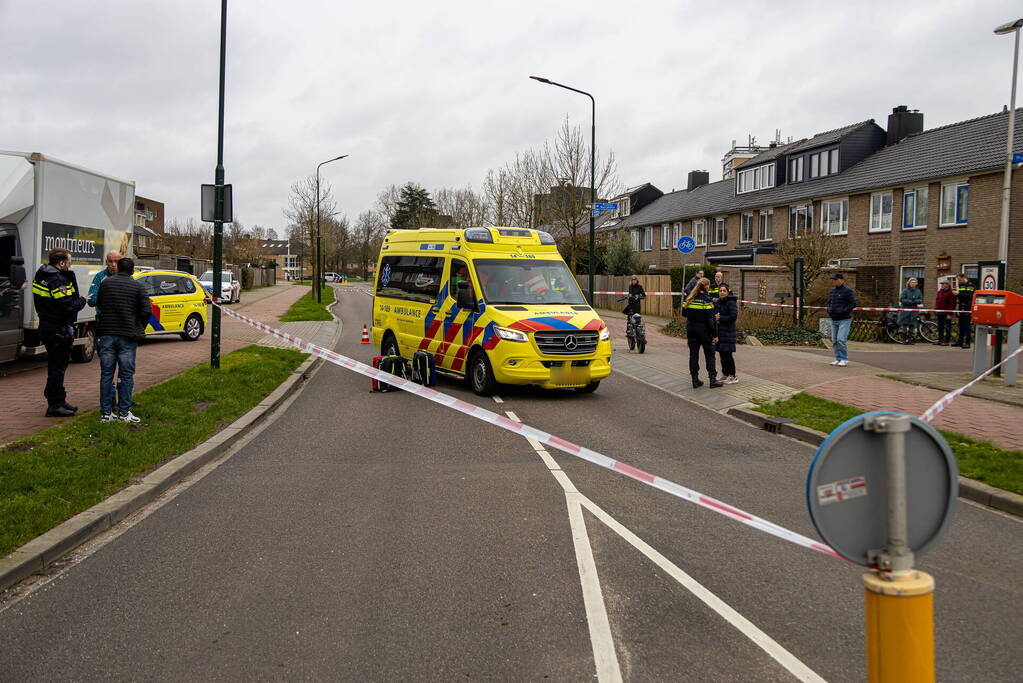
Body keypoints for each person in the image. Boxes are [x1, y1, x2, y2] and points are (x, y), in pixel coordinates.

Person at [32, 248, 86, 416]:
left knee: (57, 366)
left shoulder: (42, 275)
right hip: (57, 329)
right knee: (57, 368)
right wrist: (83, 301)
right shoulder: (57, 280)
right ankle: (54, 404)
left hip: (48, 326)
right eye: (69, 263)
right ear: (61, 263)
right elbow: (68, 305)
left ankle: (60, 400)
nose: (70, 266)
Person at [96, 257, 150, 423]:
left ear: (118, 268)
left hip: (106, 334)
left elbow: (99, 305)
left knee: (106, 374)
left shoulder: (105, 284)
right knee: (126, 375)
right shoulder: (138, 287)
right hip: (128, 335)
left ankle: (106, 413)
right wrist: (139, 326)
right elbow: (147, 311)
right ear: (133, 271)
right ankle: (124, 413)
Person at [680, 277, 722, 388]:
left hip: (691, 330)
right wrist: (715, 335)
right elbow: (711, 320)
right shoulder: (706, 300)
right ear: (706, 286)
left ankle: (695, 380)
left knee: (693, 355)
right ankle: (712, 380)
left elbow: (684, 313)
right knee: (710, 355)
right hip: (704, 332)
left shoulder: (690, 298)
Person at [826, 273, 856, 367]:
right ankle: (838, 358)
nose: (835, 281)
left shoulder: (848, 291)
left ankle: (844, 359)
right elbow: (829, 302)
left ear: (842, 280)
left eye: (836, 279)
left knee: (841, 339)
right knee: (834, 340)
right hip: (834, 318)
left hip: (844, 319)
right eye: (834, 280)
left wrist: (843, 311)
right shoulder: (832, 291)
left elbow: (853, 304)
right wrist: (829, 310)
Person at [715, 283, 739, 384]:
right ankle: (725, 374)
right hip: (720, 332)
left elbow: (733, 317)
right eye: (720, 291)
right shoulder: (719, 302)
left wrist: (721, 318)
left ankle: (733, 376)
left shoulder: (731, 302)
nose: (722, 292)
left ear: (728, 292)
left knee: (728, 355)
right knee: (722, 355)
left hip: (728, 332)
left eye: (724, 291)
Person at [898, 277, 923, 344]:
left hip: (914, 311)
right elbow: (902, 299)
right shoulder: (905, 290)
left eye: (915, 282)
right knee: (904, 325)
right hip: (905, 310)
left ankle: (910, 340)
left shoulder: (918, 291)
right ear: (909, 283)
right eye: (912, 282)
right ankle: (904, 340)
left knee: (912, 325)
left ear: (916, 283)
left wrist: (914, 301)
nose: (913, 283)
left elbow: (920, 300)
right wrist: (911, 301)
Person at [955, 273, 975, 349]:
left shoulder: (971, 286)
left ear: (963, 277)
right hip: (961, 307)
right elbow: (961, 297)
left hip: (967, 307)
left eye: (959, 279)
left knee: (967, 326)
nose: (958, 281)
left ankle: (967, 342)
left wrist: (958, 294)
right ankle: (960, 341)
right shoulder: (961, 286)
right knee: (961, 325)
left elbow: (969, 296)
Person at [935, 278, 956, 346]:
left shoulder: (951, 292)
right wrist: (936, 309)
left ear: (947, 285)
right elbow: (937, 301)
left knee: (947, 327)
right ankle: (940, 340)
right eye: (941, 284)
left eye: (943, 284)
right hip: (939, 312)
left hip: (946, 313)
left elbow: (952, 304)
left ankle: (947, 341)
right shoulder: (940, 291)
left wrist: (950, 314)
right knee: (940, 327)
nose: (941, 285)